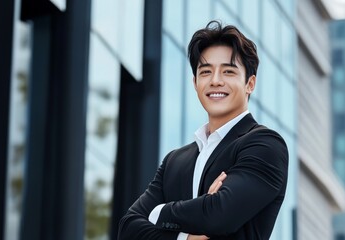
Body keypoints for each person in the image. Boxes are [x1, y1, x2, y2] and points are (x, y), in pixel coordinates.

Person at [117, 20, 288, 240]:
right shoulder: (175, 162)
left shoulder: (264, 145)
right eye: (206, 72)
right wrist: (186, 236)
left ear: (250, 84)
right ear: (195, 81)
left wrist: (159, 211)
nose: (215, 81)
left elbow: (219, 215)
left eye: (228, 71)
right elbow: (128, 228)